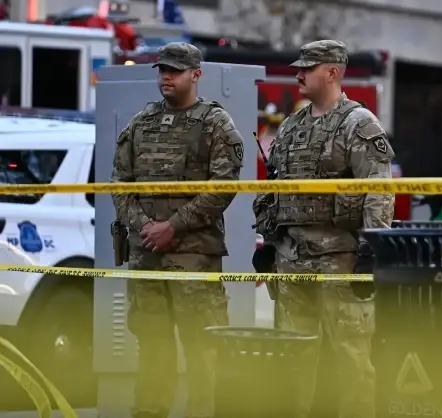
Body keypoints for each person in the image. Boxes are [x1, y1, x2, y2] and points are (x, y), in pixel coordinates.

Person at [252, 40, 394, 417]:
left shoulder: (359, 123)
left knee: (351, 356)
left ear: (332, 72)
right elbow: (274, 187)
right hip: (291, 257)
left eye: (307, 67)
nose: (298, 74)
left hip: (340, 260)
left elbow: (378, 191)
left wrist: (370, 250)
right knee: (293, 358)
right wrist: (268, 240)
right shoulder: (291, 127)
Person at [110, 42, 244, 418]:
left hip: (193, 257)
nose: (165, 76)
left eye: (175, 70)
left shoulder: (216, 124)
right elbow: (120, 184)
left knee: (202, 349)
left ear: (195, 74)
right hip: (146, 254)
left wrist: (173, 226)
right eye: (162, 70)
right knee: (153, 348)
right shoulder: (141, 122)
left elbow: (222, 188)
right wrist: (146, 227)